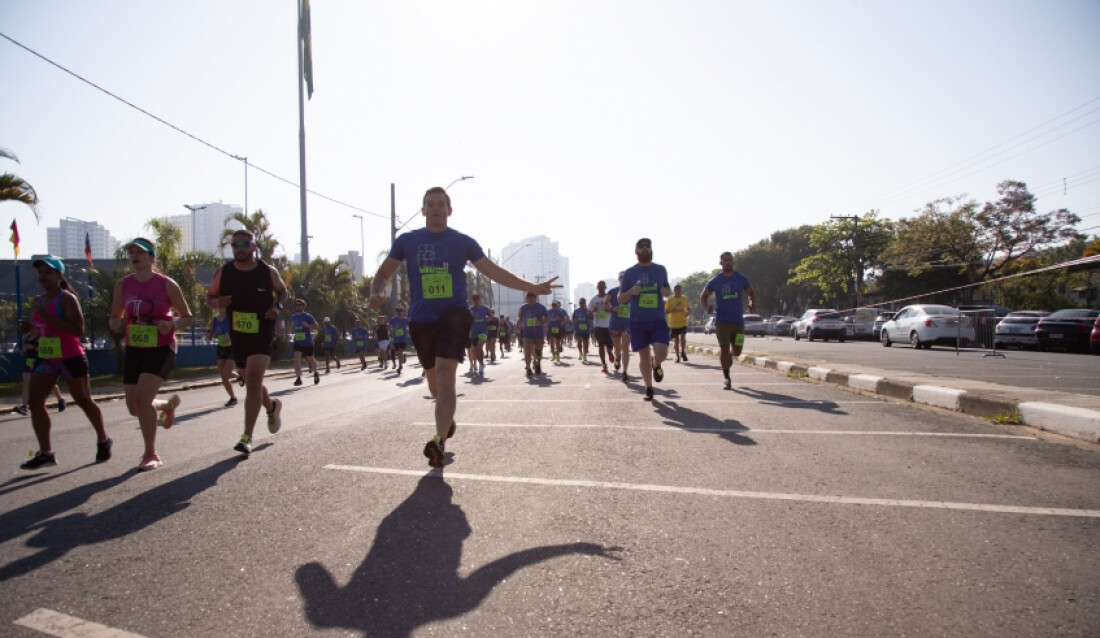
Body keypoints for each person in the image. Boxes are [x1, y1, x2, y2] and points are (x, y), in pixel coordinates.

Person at [368, 186, 557, 468]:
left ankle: (438, 442)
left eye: (440, 204)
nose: (435, 208)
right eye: (429, 204)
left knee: (446, 377)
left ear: (449, 210)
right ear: (422, 211)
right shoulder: (407, 241)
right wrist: (377, 292)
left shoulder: (463, 242)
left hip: (454, 315)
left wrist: (531, 287)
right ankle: (446, 419)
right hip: (421, 321)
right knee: (434, 385)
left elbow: (495, 272)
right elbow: (383, 273)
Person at [19, 256, 112, 470]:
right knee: (35, 401)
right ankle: (46, 452)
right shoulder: (39, 301)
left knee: (83, 400)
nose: (43, 276)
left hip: (70, 356)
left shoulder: (67, 299)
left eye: (48, 272)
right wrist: (30, 329)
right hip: (47, 357)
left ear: (59, 275)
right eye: (40, 272)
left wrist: (47, 318)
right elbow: (41, 328)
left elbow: (77, 330)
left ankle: (103, 438)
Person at [109, 239, 194, 470]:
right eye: (131, 253)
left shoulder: (167, 284)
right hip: (135, 348)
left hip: (161, 347)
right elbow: (115, 316)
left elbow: (187, 316)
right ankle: (166, 405)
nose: (135, 256)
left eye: (140, 252)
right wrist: (116, 323)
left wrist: (173, 325)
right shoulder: (122, 285)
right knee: (134, 407)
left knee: (142, 399)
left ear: (152, 257)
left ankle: (150, 453)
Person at [207, 229, 289, 455]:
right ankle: (272, 406)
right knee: (250, 380)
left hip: (263, 330)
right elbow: (210, 297)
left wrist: (276, 307)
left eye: (244, 243)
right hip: (238, 333)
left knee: (252, 379)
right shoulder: (223, 273)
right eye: (235, 245)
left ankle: (247, 436)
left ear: (254, 247)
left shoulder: (267, 271)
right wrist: (218, 302)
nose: (239, 248)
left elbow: (282, 292)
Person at [619, 238, 673, 401]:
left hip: (657, 319)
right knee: (643, 354)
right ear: (636, 251)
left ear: (651, 250)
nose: (644, 249)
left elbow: (667, 290)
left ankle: (656, 363)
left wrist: (666, 292)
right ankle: (649, 388)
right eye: (640, 247)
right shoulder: (629, 273)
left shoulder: (660, 270)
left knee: (661, 353)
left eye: (647, 246)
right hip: (637, 321)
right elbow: (620, 298)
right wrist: (631, 292)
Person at [700, 251, 757, 390]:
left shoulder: (741, 278)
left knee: (737, 351)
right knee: (724, 349)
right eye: (725, 260)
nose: (728, 262)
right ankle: (726, 378)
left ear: (733, 262)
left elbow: (751, 293)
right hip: (722, 321)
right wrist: (707, 307)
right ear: (721, 263)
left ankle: (730, 357)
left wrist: (752, 304)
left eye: (730, 260)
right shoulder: (715, 280)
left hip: (738, 321)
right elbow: (704, 296)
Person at [13, 319, 67, 416]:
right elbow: (26, 349)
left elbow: (44, 350)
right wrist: (24, 351)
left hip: (39, 361)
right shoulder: (28, 337)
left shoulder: (41, 337)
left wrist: (33, 348)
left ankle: (60, 399)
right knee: (26, 382)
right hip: (29, 361)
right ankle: (24, 406)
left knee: (50, 384)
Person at [206, 308, 239, 407]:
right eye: (218, 306)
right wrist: (209, 335)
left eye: (223, 306)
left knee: (227, 373)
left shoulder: (230, 318)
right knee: (223, 377)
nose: (220, 308)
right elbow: (211, 332)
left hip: (232, 347)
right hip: (221, 348)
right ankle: (233, 398)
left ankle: (238, 376)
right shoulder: (215, 320)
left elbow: (237, 331)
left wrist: (230, 336)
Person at [290, 298, 321, 385]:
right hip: (297, 342)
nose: (297, 306)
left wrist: (307, 325)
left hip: (307, 342)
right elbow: (292, 326)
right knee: (296, 359)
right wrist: (291, 329)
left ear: (303, 306)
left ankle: (315, 372)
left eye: (299, 305)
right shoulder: (294, 316)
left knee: (311, 360)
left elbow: (316, 326)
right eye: (296, 305)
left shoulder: (308, 316)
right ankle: (298, 378)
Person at [607, 273, 632, 382]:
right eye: (621, 278)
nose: (623, 279)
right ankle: (617, 357)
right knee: (617, 347)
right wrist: (612, 308)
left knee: (625, 346)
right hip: (616, 323)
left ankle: (625, 372)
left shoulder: (633, 292)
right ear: (619, 279)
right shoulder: (612, 292)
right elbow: (604, 305)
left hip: (628, 323)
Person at [518, 291, 549, 377]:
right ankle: (528, 367)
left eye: (532, 297)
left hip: (538, 333)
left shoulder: (541, 307)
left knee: (538, 350)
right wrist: (520, 324)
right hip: (527, 333)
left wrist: (541, 322)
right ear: (526, 298)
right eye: (528, 297)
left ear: (535, 298)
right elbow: (520, 317)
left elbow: (547, 317)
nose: (530, 299)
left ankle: (538, 363)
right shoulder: (523, 307)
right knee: (527, 350)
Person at [590, 281, 615, 373]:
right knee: (601, 345)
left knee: (609, 346)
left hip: (609, 325)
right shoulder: (594, 299)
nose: (601, 288)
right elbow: (588, 312)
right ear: (597, 287)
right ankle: (604, 364)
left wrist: (609, 309)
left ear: (605, 287)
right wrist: (594, 310)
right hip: (598, 325)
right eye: (599, 286)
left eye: (603, 286)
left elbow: (614, 309)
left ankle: (609, 352)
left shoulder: (609, 298)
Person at [665, 284, 691, 363]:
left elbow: (688, 308)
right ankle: (677, 356)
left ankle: (683, 352)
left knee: (683, 337)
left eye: (680, 290)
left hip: (683, 321)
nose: (678, 292)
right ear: (674, 291)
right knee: (676, 341)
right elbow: (666, 311)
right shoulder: (670, 299)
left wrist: (687, 313)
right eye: (677, 290)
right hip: (673, 323)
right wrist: (672, 310)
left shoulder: (684, 298)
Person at [468, 293, 490, 376]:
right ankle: (481, 364)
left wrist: (488, 319)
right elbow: (467, 320)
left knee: (479, 346)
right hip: (474, 332)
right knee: (476, 350)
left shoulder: (485, 308)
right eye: (474, 299)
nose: (476, 301)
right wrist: (470, 317)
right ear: (473, 300)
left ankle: (481, 365)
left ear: (480, 299)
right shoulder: (470, 309)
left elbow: (490, 316)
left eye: (477, 299)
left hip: (483, 331)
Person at [389, 306, 409, 374]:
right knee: (398, 353)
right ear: (396, 312)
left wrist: (407, 330)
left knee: (400, 351)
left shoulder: (405, 319)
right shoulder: (393, 319)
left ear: (402, 312)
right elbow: (389, 327)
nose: (399, 313)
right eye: (398, 312)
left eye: (400, 312)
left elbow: (408, 326)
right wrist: (393, 329)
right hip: (396, 339)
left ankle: (400, 367)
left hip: (403, 339)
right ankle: (403, 358)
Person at [572, 297, 591, 362]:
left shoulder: (588, 311)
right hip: (578, 329)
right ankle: (580, 353)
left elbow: (591, 319)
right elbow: (573, 319)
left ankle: (585, 355)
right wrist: (574, 329)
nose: (581, 304)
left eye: (583, 303)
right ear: (579, 303)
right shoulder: (576, 311)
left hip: (586, 329)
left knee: (585, 342)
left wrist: (589, 321)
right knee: (579, 341)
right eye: (580, 303)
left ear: (585, 303)